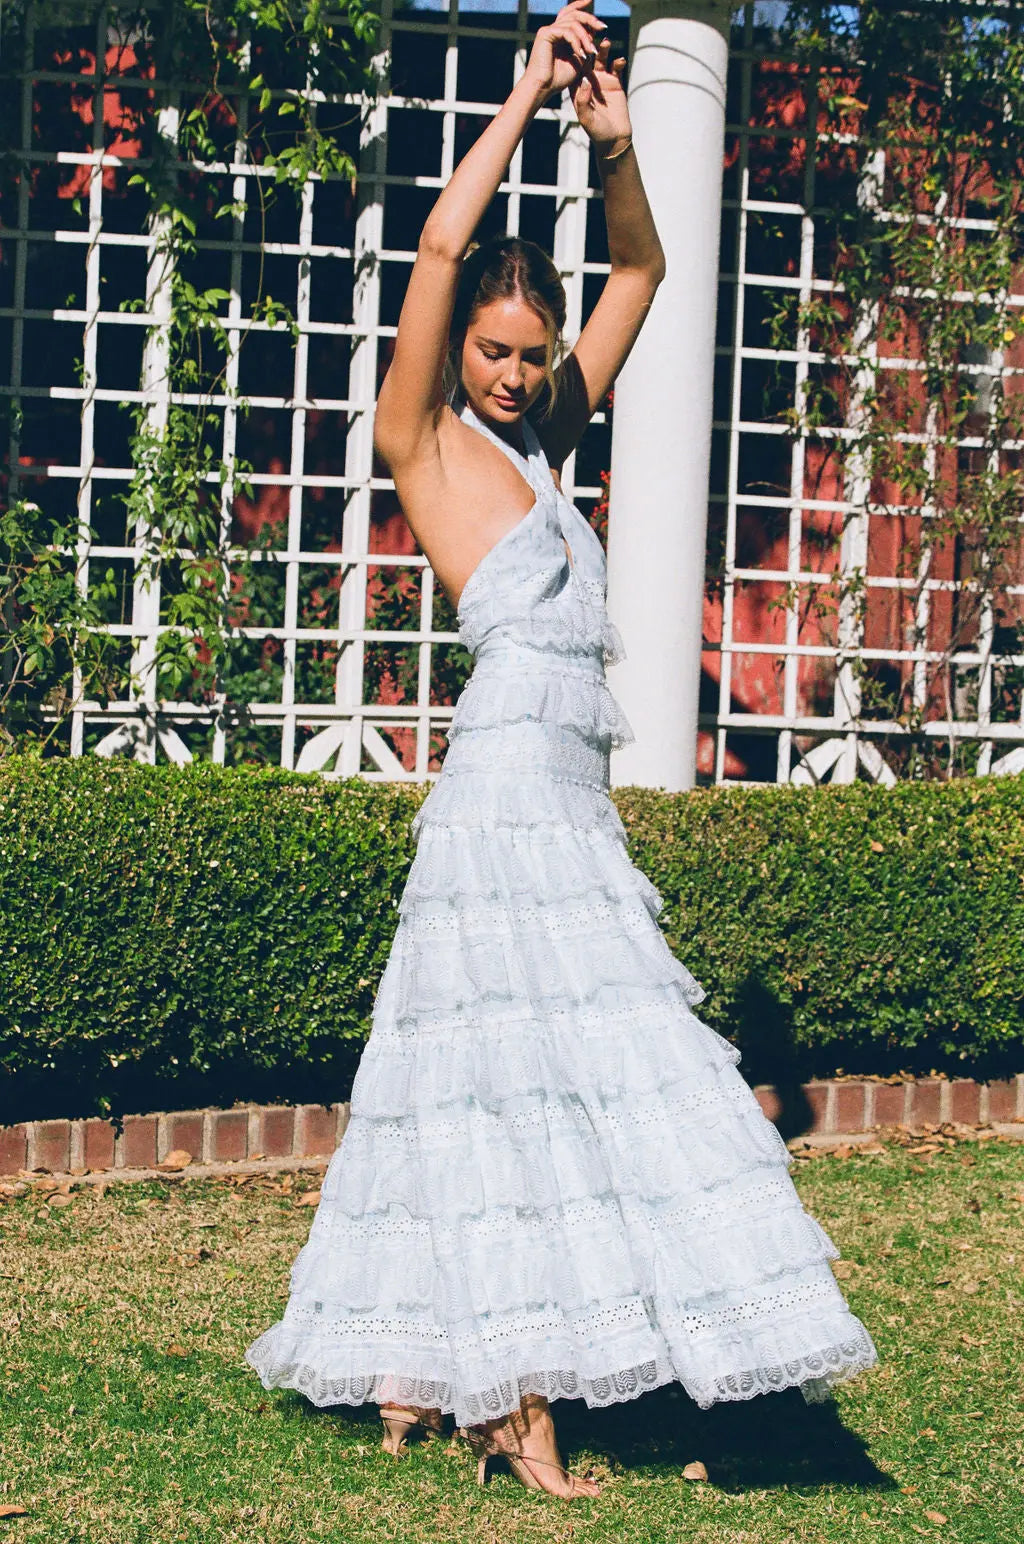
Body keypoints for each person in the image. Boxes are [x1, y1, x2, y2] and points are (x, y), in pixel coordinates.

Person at [245, 0, 877, 1502]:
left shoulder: (546, 442)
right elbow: (435, 250)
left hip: (569, 818)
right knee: (512, 1090)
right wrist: (529, 91)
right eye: (496, 351)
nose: (518, 376)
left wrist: (616, 142)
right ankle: (512, 1405)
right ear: (462, 345)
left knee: (542, 1085)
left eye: (533, 356)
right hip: (495, 820)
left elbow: (644, 269)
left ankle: (428, 1369)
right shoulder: (423, 438)